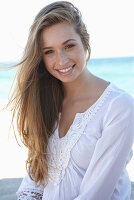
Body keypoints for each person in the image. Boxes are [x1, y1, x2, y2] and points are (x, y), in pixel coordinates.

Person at [9, 1, 134, 199]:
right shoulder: (45, 103)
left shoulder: (119, 107)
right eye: (49, 51)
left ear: (85, 41)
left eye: (68, 46)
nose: (61, 60)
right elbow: (31, 186)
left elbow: (95, 195)